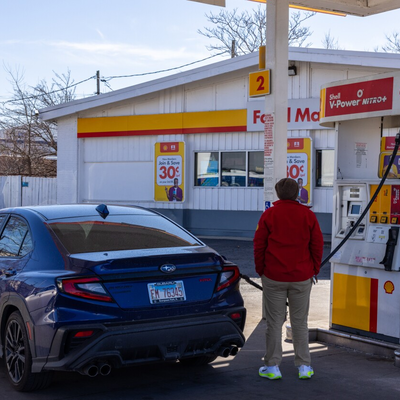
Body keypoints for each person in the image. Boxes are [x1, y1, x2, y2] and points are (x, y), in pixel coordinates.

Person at [253, 178, 323, 380]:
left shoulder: (269, 214)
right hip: (301, 276)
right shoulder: (308, 215)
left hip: (273, 276)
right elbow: (317, 245)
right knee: (300, 322)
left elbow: (259, 245)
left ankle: (272, 366)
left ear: (278, 193)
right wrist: (314, 270)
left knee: (274, 322)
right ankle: (304, 366)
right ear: (297, 193)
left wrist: (261, 271)